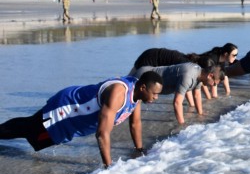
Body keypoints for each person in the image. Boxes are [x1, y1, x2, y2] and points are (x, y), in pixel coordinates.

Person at [0, 71, 164, 168]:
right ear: (143, 88)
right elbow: (102, 134)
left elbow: (135, 123)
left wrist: (139, 149)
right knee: (30, 129)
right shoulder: (119, 93)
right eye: (155, 93)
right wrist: (109, 167)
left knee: (38, 141)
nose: (156, 97)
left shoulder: (137, 95)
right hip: (67, 107)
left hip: (75, 121)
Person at [132, 57, 222, 125]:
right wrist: (182, 126)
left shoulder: (200, 74)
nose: (213, 86)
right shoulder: (188, 76)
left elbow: (197, 95)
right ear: (210, 76)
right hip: (143, 76)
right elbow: (177, 102)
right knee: (129, 110)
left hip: (148, 75)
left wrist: (200, 114)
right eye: (214, 83)